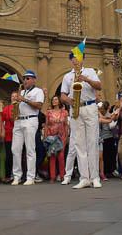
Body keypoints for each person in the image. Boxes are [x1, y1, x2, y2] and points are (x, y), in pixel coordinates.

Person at [61, 52, 102, 189]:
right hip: (76, 108)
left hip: (90, 107)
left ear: (83, 59)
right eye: (73, 58)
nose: (75, 60)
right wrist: (68, 100)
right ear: (71, 60)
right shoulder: (67, 76)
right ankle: (84, 178)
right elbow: (62, 95)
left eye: (78, 57)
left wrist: (86, 79)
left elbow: (99, 86)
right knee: (79, 144)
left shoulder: (90, 71)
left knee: (92, 143)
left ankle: (95, 177)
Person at [11, 70, 44, 185]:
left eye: (28, 78)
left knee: (30, 149)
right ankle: (17, 176)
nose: (25, 80)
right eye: (24, 78)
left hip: (31, 119)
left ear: (34, 80)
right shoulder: (22, 91)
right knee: (15, 149)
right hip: (19, 121)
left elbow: (39, 105)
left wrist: (24, 99)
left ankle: (30, 177)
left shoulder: (38, 91)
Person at [45, 95, 68, 182]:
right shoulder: (49, 112)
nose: (54, 101)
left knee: (61, 156)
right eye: (53, 100)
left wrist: (66, 136)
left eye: (56, 99)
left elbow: (66, 125)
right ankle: (52, 176)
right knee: (52, 156)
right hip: (52, 137)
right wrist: (45, 136)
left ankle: (62, 175)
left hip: (61, 136)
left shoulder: (64, 112)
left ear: (59, 101)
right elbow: (46, 125)